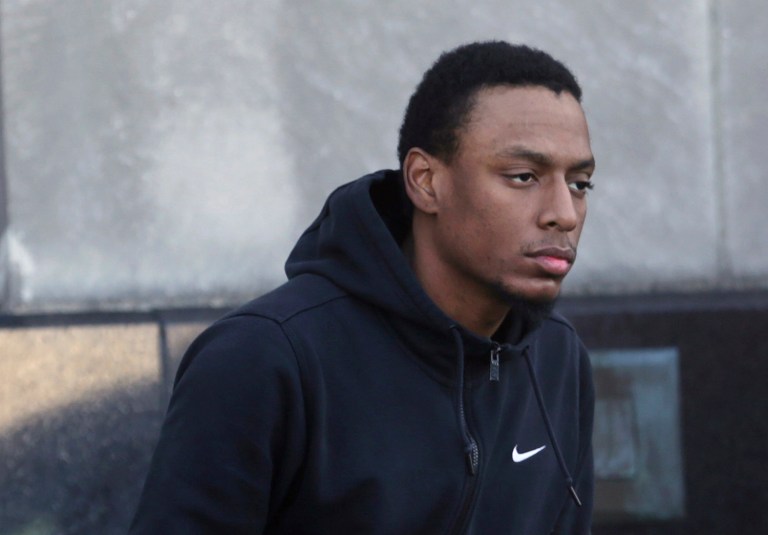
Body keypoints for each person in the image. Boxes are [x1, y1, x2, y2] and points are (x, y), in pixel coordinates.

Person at [131, 41, 596, 534]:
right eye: (523, 176)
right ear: (425, 181)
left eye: (580, 183)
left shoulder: (556, 357)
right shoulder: (264, 357)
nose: (563, 213)